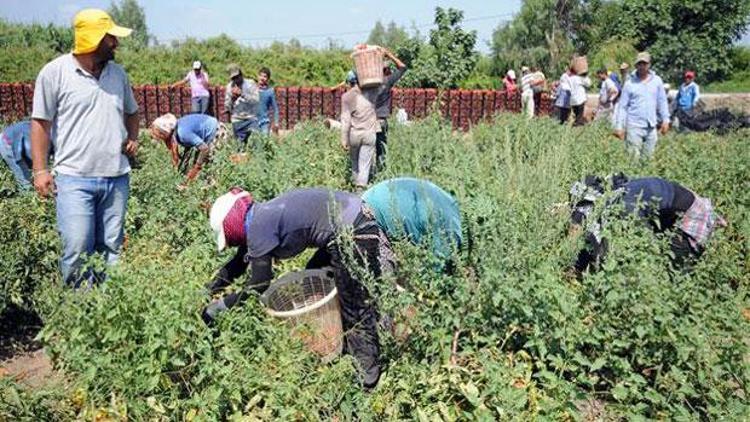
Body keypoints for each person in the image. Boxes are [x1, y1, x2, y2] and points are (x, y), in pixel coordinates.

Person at [203, 187, 395, 389]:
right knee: (315, 271)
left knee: (355, 305)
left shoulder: (258, 227)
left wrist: (219, 307)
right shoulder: (259, 216)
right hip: (354, 216)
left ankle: (367, 378)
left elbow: (259, 284)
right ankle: (339, 338)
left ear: (233, 225)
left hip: (354, 231)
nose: (232, 244)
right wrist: (209, 290)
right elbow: (237, 264)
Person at [30, 9, 139, 287]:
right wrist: (40, 170)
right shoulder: (54, 73)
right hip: (74, 179)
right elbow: (41, 123)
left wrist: (133, 138)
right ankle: (81, 313)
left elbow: (132, 111)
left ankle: (106, 311)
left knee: (111, 249)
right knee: (77, 250)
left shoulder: (118, 74)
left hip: (116, 178)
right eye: (110, 38)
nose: (116, 43)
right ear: (93, 39)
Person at [568, 174, 726, 275]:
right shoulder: (611, 192)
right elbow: (577, 227)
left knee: (671, 272)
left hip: (693, 219)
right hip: (671, 210)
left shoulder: (625, 207)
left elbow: (642, 250)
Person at [362, 177, 462, 271]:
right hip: (375, 210)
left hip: (375, 196)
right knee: (384, 273)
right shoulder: (451, 235)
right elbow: (435, 272)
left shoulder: (453, 213)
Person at [614, 52, 670, 160]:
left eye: (644, 63)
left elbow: (662, 101)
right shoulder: (630, 83)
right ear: (636, 65)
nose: (642, 66)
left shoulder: (657, 81)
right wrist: (619, 127)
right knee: (633, 159)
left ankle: (646, 176)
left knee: (648, 158)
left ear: (649, 65)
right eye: (640, 64)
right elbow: (622, 107)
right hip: (634, 126)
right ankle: (633, 176)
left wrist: (666, 120)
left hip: (651, 126)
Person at [150, 113, 219, 185]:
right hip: (205, 138)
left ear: (165, 131)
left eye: (160, 135)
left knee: (210, 167)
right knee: (197, 164)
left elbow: (205, 149)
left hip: (216, 132)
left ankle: (213, 186)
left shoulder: (182, 133)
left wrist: (197, 167)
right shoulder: (177, 130)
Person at [340, 71, 380, 189]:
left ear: (349, 82)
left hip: (354, 134)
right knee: (365, 164)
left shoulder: (346, 97)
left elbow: (345, 120)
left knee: (354, 163)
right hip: (369, 134)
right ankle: (361, 188)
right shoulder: (372, 93)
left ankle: (355, 187)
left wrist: (343, 139)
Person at [374, 48, 407, 172]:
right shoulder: (387, 82)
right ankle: (380, 174)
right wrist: (389, 55)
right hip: (381, 121)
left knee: (367, 150)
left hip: (368, 121)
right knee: (381, 150)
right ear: (387, 70)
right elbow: (403, 67)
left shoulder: (368, 85)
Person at [224, 64, 260, 149]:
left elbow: (256, 100)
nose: (235, 80)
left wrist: (242, 94)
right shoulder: (229, 87)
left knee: (257, 143)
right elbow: (227, 107)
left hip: (251, 118)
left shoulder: (250, 84)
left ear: (241, 74)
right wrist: (232, 99)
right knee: (240, 148)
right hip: (237, 120)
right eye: (233, 78)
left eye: (237, 77)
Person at [0, 121, 33, 190]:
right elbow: (18, 157)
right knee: (24, 177)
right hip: (7, 144)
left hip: (15, 140)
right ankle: (27, 195)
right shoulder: (27, 132)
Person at [256, 67, 279, 135]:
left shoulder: (270, 91)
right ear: (258, 76)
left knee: (264, 141)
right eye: (261, 75)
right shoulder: (252, 89)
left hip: (264, 122)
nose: (262, 78)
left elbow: (275, 109)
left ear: (268, 79)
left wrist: (276, 122)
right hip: (253, 122)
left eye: (265, 76)